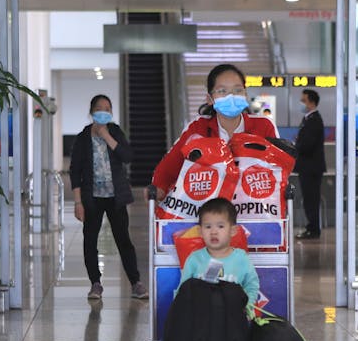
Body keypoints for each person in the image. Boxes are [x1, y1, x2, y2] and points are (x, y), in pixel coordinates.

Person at [139, 197, 261, 341]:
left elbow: (252, 285)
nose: (214, 232)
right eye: (207, 226)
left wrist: (248, 306)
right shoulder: (196, 259)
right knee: (167, 340)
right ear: (200, 231)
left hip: (232, 323)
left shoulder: (241, 259)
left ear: (233, 231)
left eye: (220, 226)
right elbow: (184, 291)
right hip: (198, 322)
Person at [151, 63, 279, 199]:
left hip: (253, 209)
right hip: (208, 210)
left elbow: (279, 168)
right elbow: (170, 166)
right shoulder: (197, 128)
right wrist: (158, 188)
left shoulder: (264, 127)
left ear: (245, 95)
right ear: (209, 99)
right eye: (222, 91)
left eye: (238, 90)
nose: (231, 97)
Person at [70, 94, 148, 300]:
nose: (104, 111)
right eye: (99, 107)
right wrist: (78, 202)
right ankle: (95, 283)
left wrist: (107, 137)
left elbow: (127, 156)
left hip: (116, 197)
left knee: (123, 240)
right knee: (90, 241)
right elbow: (74, 171)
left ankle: (136, 283)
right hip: (91, 198)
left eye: (107, 108)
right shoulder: (82, 137)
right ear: (91, 112)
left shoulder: (115, 132)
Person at [295, 89, 327, 239]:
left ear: (311, 102)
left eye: (303, 101)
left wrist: (297, 145)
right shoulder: (308, 119)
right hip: (307, 167)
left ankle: (313, 229)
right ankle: (311, 227)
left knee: (311, 199)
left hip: (311, 168)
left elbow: (308, 145)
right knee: (308, 199)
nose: (301, 104)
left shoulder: (314, 120)